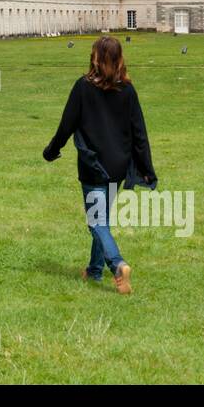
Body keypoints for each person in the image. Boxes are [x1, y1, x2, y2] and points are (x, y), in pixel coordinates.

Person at [42, 35, 156, 295]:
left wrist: (51, 151)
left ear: (94, 57)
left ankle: (118, 265)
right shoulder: (127, 90)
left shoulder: (83, 87)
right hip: (117, 166)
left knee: (96, 222)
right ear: (119, 59)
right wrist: (146, 169)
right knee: (102, 219)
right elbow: (140, 133)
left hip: (93, 166)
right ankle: (94, 270)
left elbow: (66, 125)